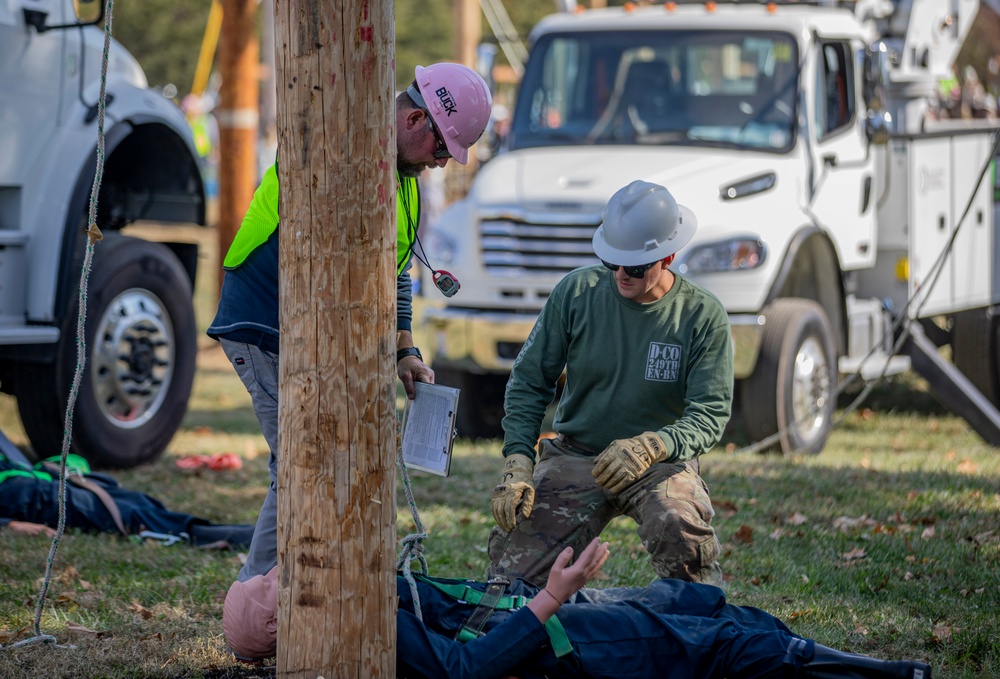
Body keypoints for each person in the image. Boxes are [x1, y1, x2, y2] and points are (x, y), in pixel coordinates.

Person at [207, 63, 492, 583]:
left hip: (315, 331)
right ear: (414, 121)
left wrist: (405, 348)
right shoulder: (335, 147)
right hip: (265, 321)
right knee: (300, 463)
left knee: (319, 460)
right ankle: (257, 601)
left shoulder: (404, 181)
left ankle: (303, 589)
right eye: (443, 147)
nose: (443, 161)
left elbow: (396, 269)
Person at [488, 179, 733, 587]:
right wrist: (517, 459)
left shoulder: (701, 316)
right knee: (510, 574)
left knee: (682, 534)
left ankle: (698, 633)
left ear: (667, 255)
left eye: (635, 267)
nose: (621, 274)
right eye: (611, 262)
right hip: (576, 455)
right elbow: (530, 380)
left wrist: (654, 445)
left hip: (659, 464)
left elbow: (709, 414)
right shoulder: (576, 293)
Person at [222, 538, 933, 679]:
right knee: (714, 645)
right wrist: (553, 595)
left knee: (695, 601)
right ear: (286, 619)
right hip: (559, 643)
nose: (287, 570)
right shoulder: (365, 633)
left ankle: (813, 653)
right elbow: (467, 669)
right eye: (276, 583)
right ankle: (882, 670)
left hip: (546, 611)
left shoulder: (349, 602)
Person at [0, 452, 254, 548]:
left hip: (39, 477)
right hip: (25, 496)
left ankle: (230, 533)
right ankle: (215, 537)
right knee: (130, 517)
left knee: (140, 502)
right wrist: (9, 524)